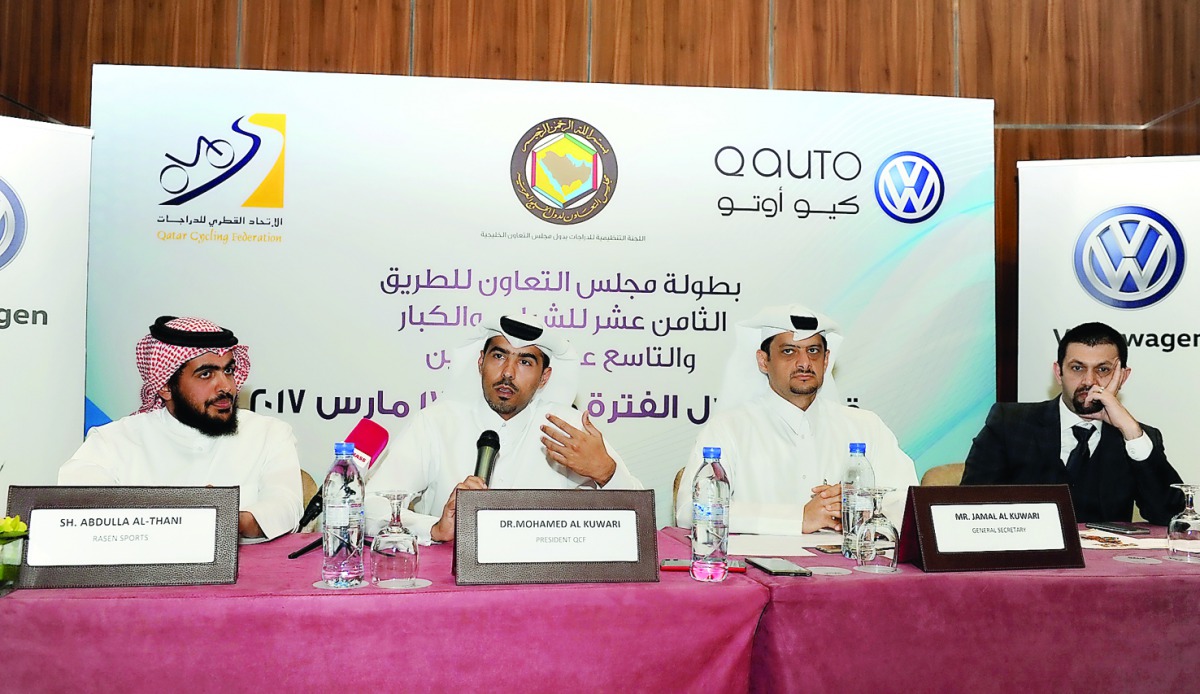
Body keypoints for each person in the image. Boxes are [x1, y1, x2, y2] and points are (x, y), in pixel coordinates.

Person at [365, 314, 642, 543]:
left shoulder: (567, 429)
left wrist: (606, 472)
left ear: (545, 377)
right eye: (499, 356)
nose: (508, 372)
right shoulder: (436, 423)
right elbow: (368, 506)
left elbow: (641, 519)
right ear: (480, 362)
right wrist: (435, 529)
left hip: (545, 586)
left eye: (524, 362)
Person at [674, 304, 917, 533]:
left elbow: (910, 504)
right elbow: (690, 511)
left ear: (826, 360)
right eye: (789, 352)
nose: (804, 363)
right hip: (756, 574)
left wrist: (860, 506)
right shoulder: (728, 429)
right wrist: (799, 517)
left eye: (813, 351)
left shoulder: (866, 426)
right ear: (763, 361)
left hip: (847, 572)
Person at [58, 316, 303, 540]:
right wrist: (177, 513)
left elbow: (286, 505)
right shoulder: (113, 441)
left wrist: (231, 518)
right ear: (165, 387)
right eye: (206, 374)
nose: (225, 386)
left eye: (228, 370)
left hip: (242, 580)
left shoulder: (269, 433)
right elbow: (75, 506)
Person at [962, 322, 1184, 524]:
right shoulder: (1009, 423)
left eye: (1103, 369)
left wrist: (1131, 433)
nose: (1089, 381)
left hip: (1106, 564)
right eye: (1077, 368)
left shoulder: (1138, 439)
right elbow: (967, 507)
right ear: (1058, 373)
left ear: (1123, 377)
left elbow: (1170, 516)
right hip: (1027, 561)